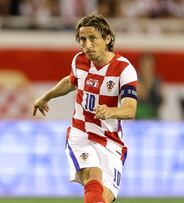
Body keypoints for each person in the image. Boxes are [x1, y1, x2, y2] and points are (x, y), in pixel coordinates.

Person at [33, 14, 137, 203]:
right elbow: (71, 81)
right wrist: (46, 97)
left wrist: (111, 111)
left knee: (102, 198)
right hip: (80, 134)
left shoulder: (124, 69)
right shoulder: (79, 61)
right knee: (93, 176)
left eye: (92, 38)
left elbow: (130, 110)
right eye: (82, 39)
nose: (87, 45)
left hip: (110, 141)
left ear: (107, 39)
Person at [135, 53, 163, 120]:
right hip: (139, 117)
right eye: (145, 65)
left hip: (153, 117)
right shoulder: (135, 79)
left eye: (149, 66)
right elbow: (142, 95)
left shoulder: (157, 81)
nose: (147, 69)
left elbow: (159, 100)